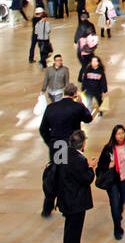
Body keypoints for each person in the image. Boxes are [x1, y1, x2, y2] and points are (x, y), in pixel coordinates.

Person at [39, 84, 93, 217]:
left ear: (64, 93)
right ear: (75, 94)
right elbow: (88, 118)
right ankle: (67, 205)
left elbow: (43, 129)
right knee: (72, 176)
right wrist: (82, 103)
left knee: (55, 174)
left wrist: (51, 143)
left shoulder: (51, 107)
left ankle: (47, 207)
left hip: (57, 146)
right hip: (72, 147)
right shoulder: (77, 107)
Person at [56, 130, 95, 243]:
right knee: (72, 230)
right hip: (75, 200)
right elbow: (86, 178)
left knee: (74, 229)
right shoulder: (78, 159)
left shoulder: (65, 153)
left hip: (67, 198)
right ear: (83, 144)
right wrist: (91, 167)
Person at [96, 125, 125, 240]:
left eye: (122, 133)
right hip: (112, 181)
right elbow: (100, 164)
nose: (121, 136)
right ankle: (117, 228)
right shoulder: (108, 148)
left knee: (123, 199)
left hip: (124, 178)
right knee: (115, 204)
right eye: (118, 134)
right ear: (114, 136)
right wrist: (108, 165)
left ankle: (118, 214)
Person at [79, 54, 108, 119]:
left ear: (98, 63)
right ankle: (89, 115)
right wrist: (83, 88)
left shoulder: (101, 72)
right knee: (88, 103)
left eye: (95, 61)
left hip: (97, 91)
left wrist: (105, 90)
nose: (94, 63)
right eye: (92, 61)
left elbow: (103, 81)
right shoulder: (88, 70)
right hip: (88, 90)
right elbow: (84, 80)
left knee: (99, 101)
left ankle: (100, 111)